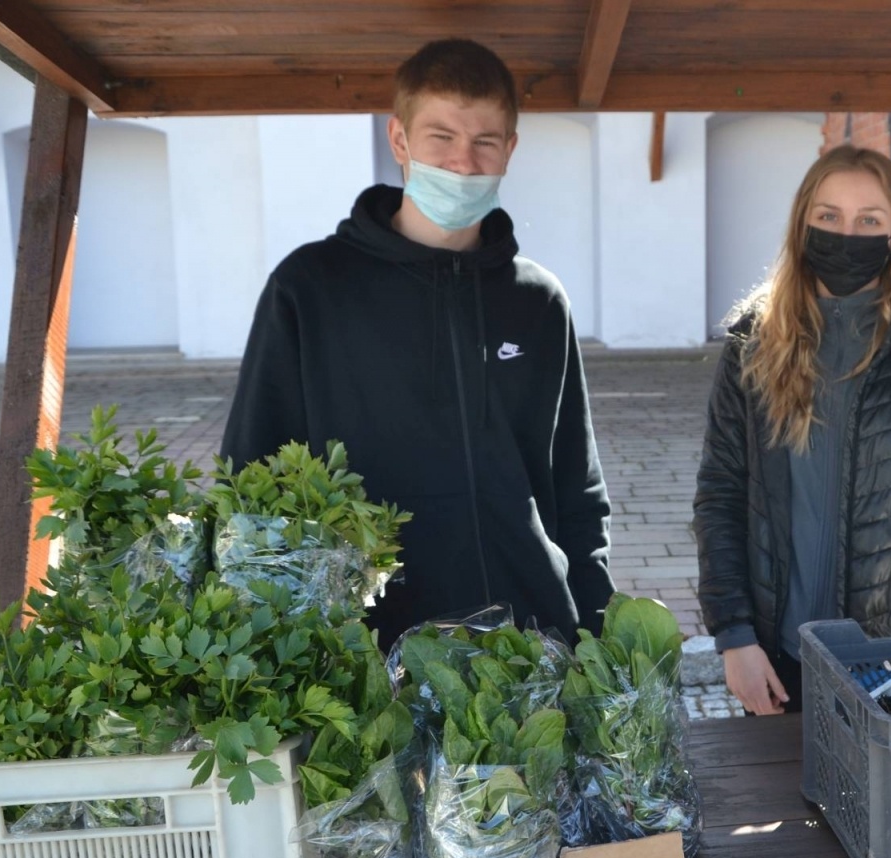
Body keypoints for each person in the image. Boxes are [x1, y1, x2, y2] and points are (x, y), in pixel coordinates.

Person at [221, 38, 615, 650]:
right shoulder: (311, 288)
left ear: (510, 148)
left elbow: (576, 487)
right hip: (366, 652)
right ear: (399, 140)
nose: (463, 162)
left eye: (485, 141)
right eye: (441, 138)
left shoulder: (538, 300)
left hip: (527, 640)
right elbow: (253, 476)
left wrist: (595, 625)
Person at [693, 145, 891, 716]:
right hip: (777, 654)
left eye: (869, 220)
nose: (846, 233)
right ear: (803, 221)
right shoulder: (753, 339)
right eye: (829, 216)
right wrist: (735, 635)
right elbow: (721, 495)